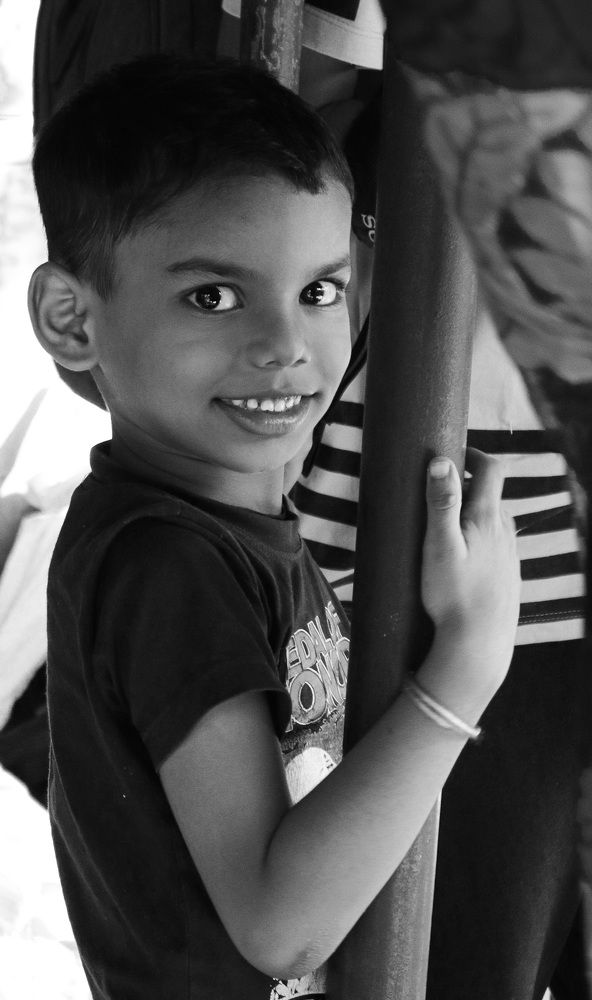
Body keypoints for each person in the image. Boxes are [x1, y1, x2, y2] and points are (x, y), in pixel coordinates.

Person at [27, 53, 520, 1000]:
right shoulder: (167, 564)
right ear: (71, 318)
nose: (286, 346)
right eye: (213, 296)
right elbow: (279, 923)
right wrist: (466, 666)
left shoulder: (218, 520)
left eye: (319, 291)